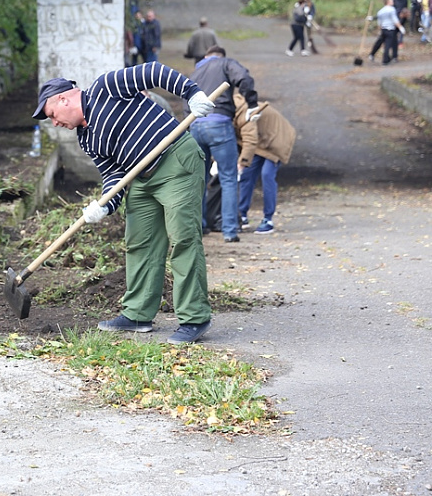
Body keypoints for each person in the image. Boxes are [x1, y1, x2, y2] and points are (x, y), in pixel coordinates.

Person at [32, 63, 216, 344]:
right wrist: (104, 205)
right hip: (141, 178)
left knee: (183, 238)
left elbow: (154, 72)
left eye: (53, 116)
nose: (55, 123)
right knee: (140, 241)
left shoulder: (107, 86)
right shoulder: (86, 137)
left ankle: (194, 318)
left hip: (175, 160)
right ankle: (138, 314)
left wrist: (191, 93)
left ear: (63, 99)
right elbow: (113, 174)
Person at [186, 45, 259, 243]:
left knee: (199, 178)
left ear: (206, 55)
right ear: (220, 56)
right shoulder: (225, 63)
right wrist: (252, 104)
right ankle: (229, 231)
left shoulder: (196, 70)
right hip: (219, 124)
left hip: (195, 126)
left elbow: (186, 99)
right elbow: (244, 78)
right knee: (228, 178)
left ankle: (200, 226)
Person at [234, 93, 295, 235]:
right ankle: (242, 215)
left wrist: (241, 162)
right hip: (260, 141)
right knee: (247, 175)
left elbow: (249, 139)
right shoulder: (231, 110)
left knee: (267, 174)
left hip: (277, 139)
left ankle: (268, 219)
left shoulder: (244, 113)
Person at [367, 0, 406, 64]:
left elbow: (379, 22)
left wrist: (379, 29)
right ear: (388, 2)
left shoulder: (381, 11)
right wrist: (400, 27)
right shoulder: (391, 9)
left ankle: (375, 55)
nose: (393, 1)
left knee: (381, 42)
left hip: (383, 29)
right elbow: (395, 20)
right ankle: (385, 60)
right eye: (391, 0)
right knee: (387, 44)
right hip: (390, 29)